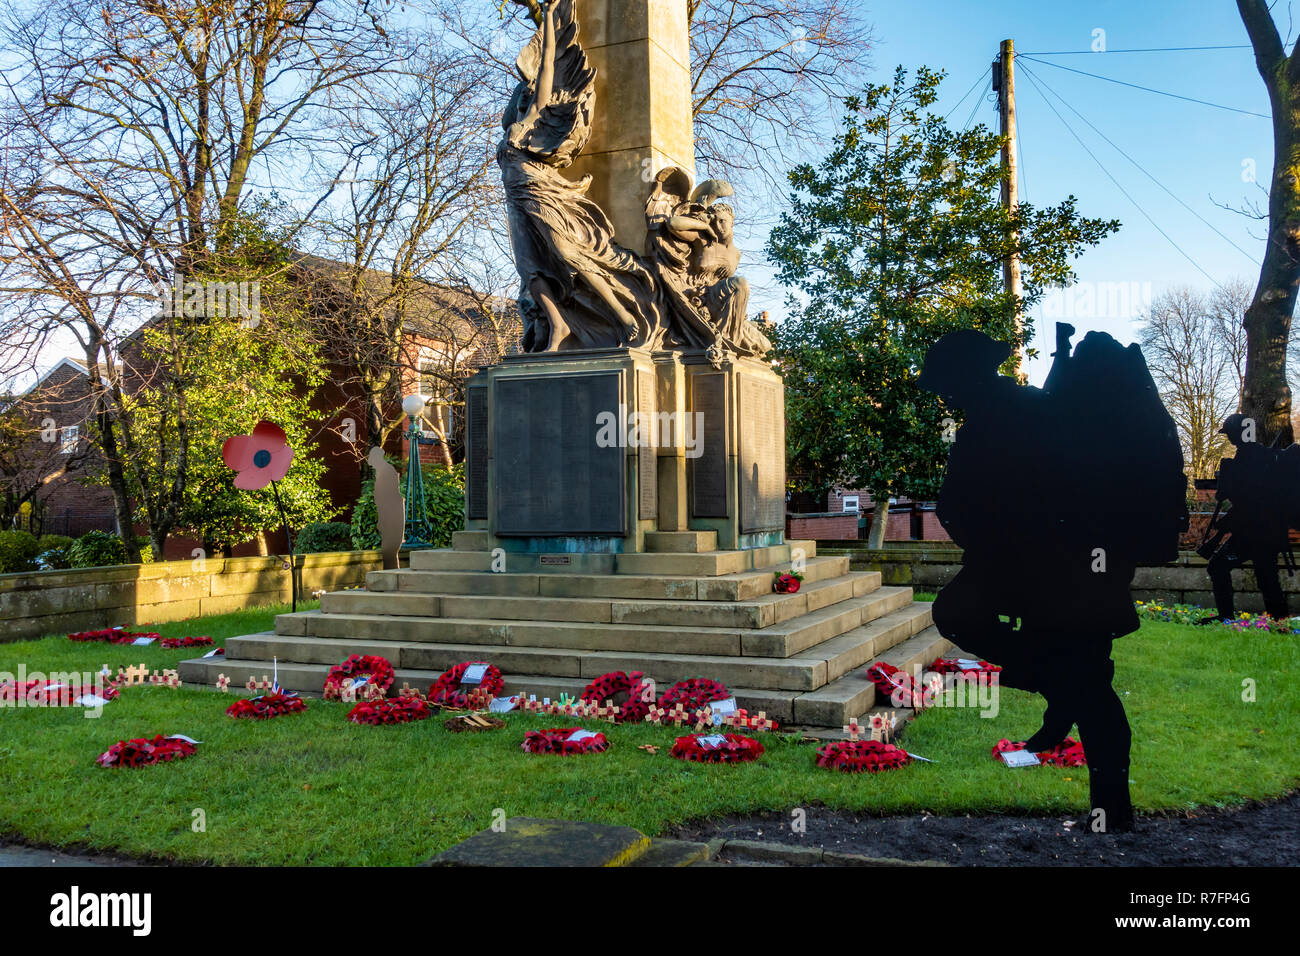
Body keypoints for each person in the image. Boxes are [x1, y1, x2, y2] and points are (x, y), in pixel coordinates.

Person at [921, 323, 1187, 832]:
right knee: (1074, 676)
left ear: (969, 377)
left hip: (1066, 575)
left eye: (948, 385)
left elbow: (1045, 496)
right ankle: (1058, 693)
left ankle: (1111, 807)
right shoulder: (1017, 410)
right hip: (1045, 572)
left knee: (1087, 685)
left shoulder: (1016, 415)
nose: (947, 397)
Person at [1198, 414, 1292, 622]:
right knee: (1267, 576)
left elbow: (1250, 501)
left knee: (1218, 566)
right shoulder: (1262, 456)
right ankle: (1279, 620)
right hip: (1267, 530)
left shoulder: (1246, 459)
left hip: (1253, 531)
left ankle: (1227, 616)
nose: (1229, 438)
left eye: (1230, 433)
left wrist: (1228, 517)